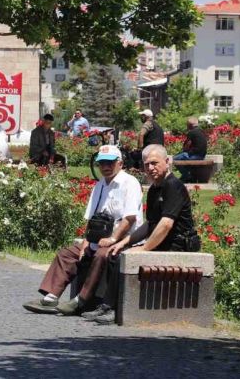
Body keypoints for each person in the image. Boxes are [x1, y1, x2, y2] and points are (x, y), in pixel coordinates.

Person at [81, 145, 202, 325]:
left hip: (178, 244)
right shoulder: (154, 189)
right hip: (163, 242)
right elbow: (149, 225)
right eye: (147, 165)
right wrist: (124, 242)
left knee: (121, 256)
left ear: (167, 162)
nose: (150, 168)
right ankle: (106, 306)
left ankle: (113, 309)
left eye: (155, 163)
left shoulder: (173, 186)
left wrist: (143, 249)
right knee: (116, 252)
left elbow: (166, 224)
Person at [23, 145, 142, 316]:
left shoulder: (130, 183)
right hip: (99, 238)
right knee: (67, 253)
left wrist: (113, 239)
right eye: (102, 163)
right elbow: (91, 219)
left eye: (110, 163)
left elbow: (129, 219)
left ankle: (81, 300)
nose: (105, 167)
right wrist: (86, 242)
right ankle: (51, 297)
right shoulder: (100, 185)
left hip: (123, 239)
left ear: (120, 163)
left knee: (102, 254)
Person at [173, 117, 207, 182]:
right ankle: (186, 177)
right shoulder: (201, 131)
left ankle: (186, 175)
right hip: (202, 155)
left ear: (189, 125)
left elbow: (187, 145)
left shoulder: (192, 132)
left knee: (174, 159)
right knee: (182, 158)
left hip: (194, 156)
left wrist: (184, 151)